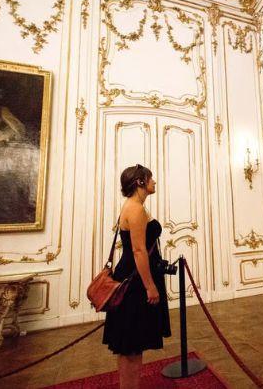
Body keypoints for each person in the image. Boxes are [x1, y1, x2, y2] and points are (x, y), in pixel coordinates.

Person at [102, 164, 171, 389]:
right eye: (151, 178)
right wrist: (150, 286)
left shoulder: (133, 206)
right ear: (140, 182)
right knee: (131, 344)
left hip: (133, 277)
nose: (154, 182)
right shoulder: (136, 209)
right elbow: (139, 251)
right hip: (136, 282)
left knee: (130, 344)